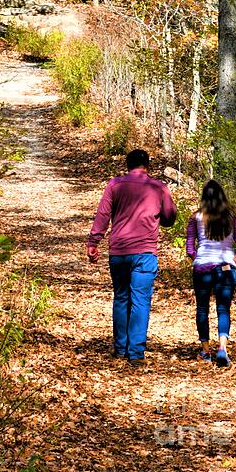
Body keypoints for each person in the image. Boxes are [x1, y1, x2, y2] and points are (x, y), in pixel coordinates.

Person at [86, 149, 177, 365]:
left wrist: (93, 242)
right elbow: (170, 217)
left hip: (119, 251)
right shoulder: (158, 188)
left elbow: (103, 214)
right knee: (141, 301)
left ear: (127, 166)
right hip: (145, 252)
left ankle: (120, 348)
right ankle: (135, 353)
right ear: (148, 166)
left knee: (121, 297)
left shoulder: (115, 185)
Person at [186, 179, 236, 367]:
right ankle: (222, 348)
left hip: (203, 267)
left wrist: (199, 259)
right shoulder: (232, 218)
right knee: (223, 308)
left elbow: (190, 249)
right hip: (225, 268)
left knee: (202, 308)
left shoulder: (196, 217)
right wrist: (231, 261)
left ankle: (205, 351)